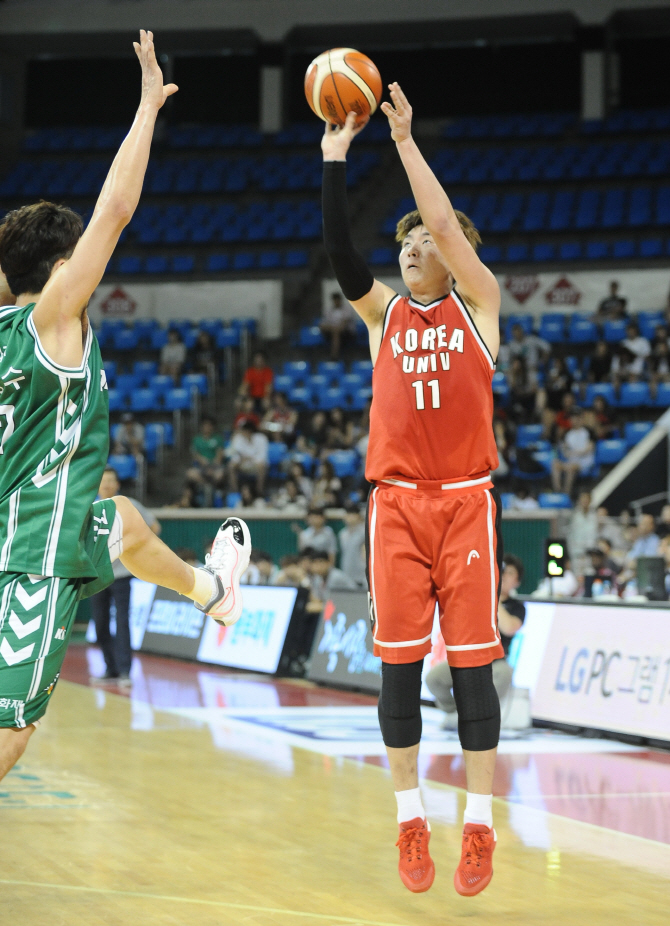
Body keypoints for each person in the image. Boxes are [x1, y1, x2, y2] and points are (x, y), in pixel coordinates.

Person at [0, 32, 251, 785]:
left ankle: (213, 593)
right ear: (57, 271)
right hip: (30, 560)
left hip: (45, 532)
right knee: (12, 724)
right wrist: (145, 112)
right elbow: (113, 212)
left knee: (125, 523)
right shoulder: (52, 322)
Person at [322, 87, 505, 897]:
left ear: (452, 250)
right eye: (405, 243)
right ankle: (408, 818)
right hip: (394, 507)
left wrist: (402, 143)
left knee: (471, 676)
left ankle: (479, 828)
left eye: (424, 242)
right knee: (397, 672)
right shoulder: (382, 319)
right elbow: (340, 254)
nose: (410, 249)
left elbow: (437, 217)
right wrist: (334, 162)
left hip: (466, 501)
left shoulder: (480, 305)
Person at [425, 555, 526, 727]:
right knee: (433, 678)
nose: (504, 575)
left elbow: (509, 627)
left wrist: (493, 597)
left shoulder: (517, 607)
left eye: (510, 573)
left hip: (496, 661)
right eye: (502, 571)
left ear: (517, 581)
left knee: (504, 674)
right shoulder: (477, 596)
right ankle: (455, 712)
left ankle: (480, 714)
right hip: (468, 655)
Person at [89, 466, 161, 685]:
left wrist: (134, 545)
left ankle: (124, 671)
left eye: (111, 480)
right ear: (98, 484)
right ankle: (110, 668)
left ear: (117, 484)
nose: (108, 484)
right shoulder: (89, 507)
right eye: (104, 480)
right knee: (100, 623)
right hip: (96, 576)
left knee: (122, 621)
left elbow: (155, 527)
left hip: (121, 574)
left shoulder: (129, 505)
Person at [551, 408, 595, 496]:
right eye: (572, 418)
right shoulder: (567, 434)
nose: (574, 420)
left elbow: (589, 449)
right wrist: (565, 452)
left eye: (576, 418)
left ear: (581, 419)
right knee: (555, 463)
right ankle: (557, 491)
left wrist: (574, 453)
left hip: (584, 462)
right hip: (571, 461)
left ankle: (566, 494)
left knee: (571, 468)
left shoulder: (588, 432)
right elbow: (565, 452)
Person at [186, 416, 225, 505]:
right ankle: (206, 485)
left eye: (209, 425)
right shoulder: (197, 439)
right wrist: (205, 464)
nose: (207, 427)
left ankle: (213, 489)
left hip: (215, 467)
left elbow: (220, 455)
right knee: (190, 473)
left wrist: (212, 466)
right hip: (201, 467)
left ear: (213, 427)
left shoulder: (217, 438)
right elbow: (195, 455)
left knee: (220, 474)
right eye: (205, 425)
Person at [227, 419, 269, 496]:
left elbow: (262, 456)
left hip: (256, 465)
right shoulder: (238, 438)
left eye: (244, 431)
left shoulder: (261, 438)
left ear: (249, 431)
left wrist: (248, 459)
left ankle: (259, 491)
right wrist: (242, 460)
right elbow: (234, 455)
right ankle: (235, 491)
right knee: (231, 465)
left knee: (262, 466)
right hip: (243, 465)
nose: (242, 433)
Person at [567, 491, 598, 574]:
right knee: (577, 577)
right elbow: (570, 536)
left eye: (586, 499)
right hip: (576, 554)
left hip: (590, 554)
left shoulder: (594, 515)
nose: (585, 501)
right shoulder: (574, 515)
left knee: (590, 575)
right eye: (583, 499)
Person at [321, 291, 356, 360]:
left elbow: (344, 324)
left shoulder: (347, 309)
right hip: (331, 332)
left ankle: (334, 356)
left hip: (347, 333)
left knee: (336, 332)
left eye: (337, 300)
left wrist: (336, 328)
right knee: (334, 331)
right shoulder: (329, 311)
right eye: (334, 300)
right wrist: (332, 328)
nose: (336, 302)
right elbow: (323, 324)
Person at [338, 503, 367, 588]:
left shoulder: (364, 532)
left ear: (358, 516)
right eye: (348, 514)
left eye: (353, 514)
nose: (350, 517)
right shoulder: (342, 534)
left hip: (361, 575)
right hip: (346, 572)